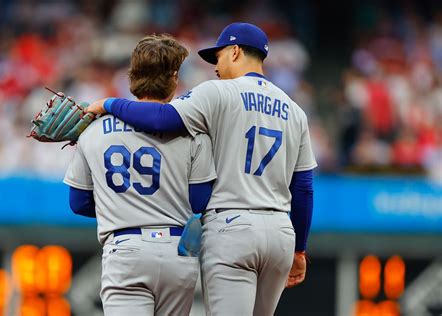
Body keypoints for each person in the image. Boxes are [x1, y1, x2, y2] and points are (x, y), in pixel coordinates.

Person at [86, 22, 317, 316]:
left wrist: (107, 103)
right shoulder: (294, 110)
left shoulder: (218, 93)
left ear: (234, 52)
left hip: (233, 226)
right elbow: (303, 187)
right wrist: (299, 249)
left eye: (218, 57)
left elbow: (161, 118)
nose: (215, 67)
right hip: (280, 232)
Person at [64, 34, 217, 315]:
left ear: (132, 77)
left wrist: (123, 205)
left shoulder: (93, 128)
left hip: (125, 249)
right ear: (173, 78)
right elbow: (200, 202)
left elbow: (78, 203)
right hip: (177, 251)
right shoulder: (192, 129)